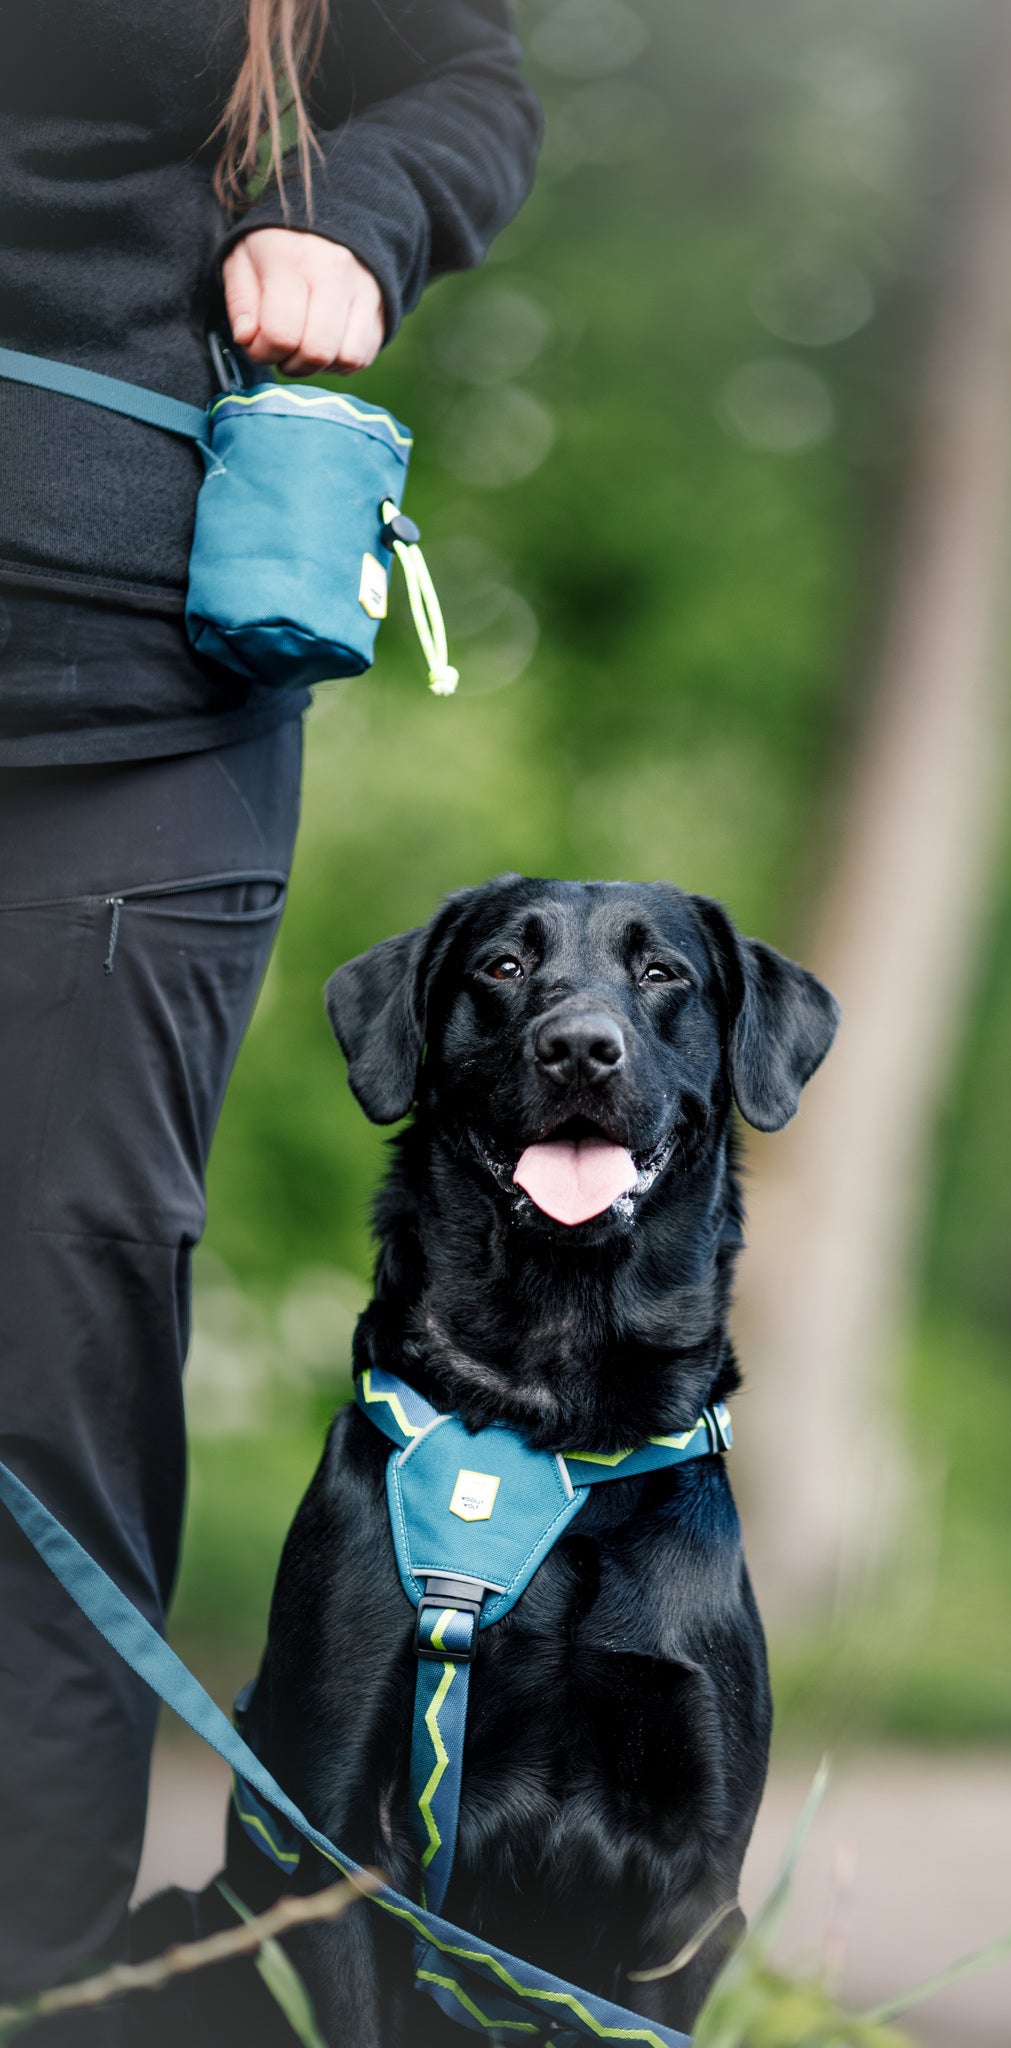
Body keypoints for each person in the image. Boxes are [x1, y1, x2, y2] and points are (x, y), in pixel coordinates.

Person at [0, 0, 540, 2024]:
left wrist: (359, 209)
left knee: (50, 1363)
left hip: (137, 696)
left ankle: (30, 1979)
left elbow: (465, 75)